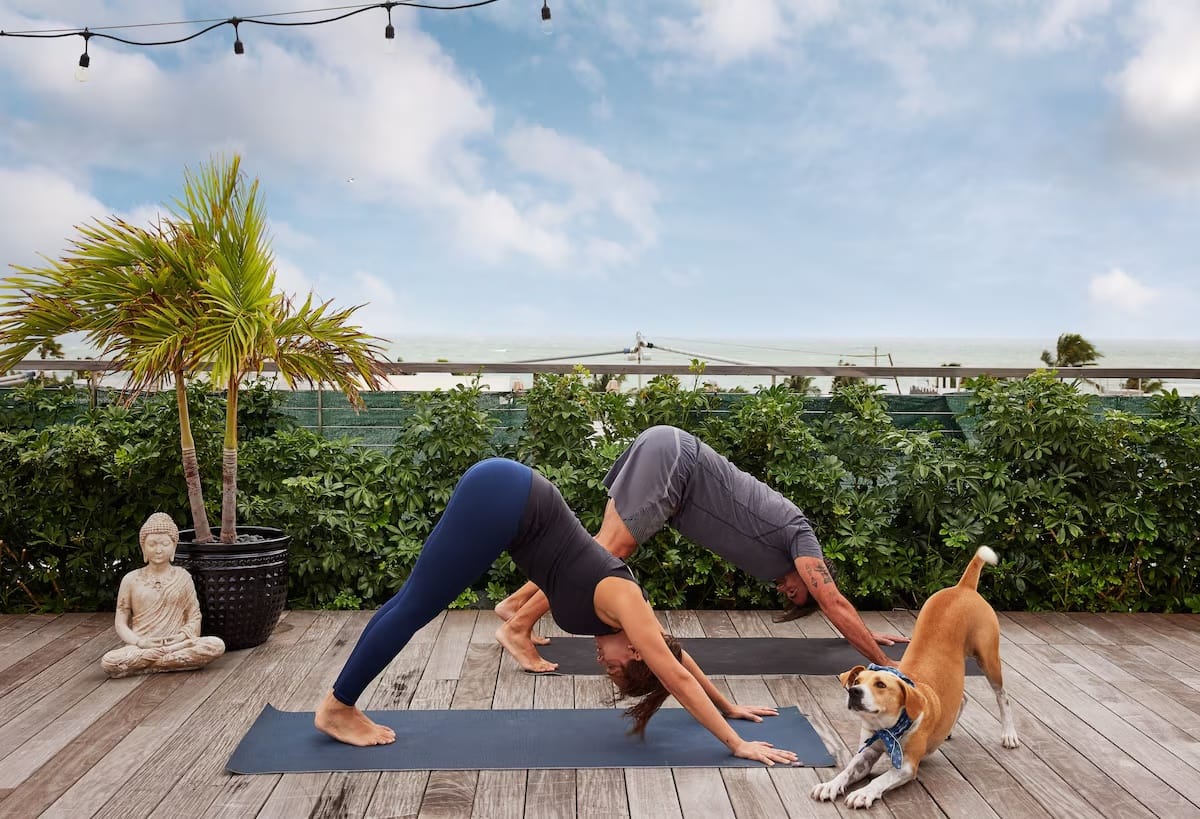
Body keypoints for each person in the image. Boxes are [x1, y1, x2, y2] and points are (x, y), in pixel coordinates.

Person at [314, 457, 798, 766]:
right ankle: (338, 707)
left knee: (411, 601)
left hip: (508, 499)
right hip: (507, 498)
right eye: (614, 667)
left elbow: (677, 657)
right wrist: (736, 743)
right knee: (417, 604)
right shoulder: (626, 603)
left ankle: (340, 703)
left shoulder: (628, 627)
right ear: (634, 651)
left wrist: (729, 706)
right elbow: (674, 673)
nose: (601, 663)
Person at [495, 425, 908, 672]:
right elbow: (832, 600)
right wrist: (884, 663)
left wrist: (864, 632)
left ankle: (515, 605)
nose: (788, 593)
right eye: (798, 593)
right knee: (606, 557)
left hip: (669, 459)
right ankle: (517, 628)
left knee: (595, 551)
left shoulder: (776, 559)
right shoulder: (800, 536)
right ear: (814, 574)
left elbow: (833, 605)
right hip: (677, 464)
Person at [101, 512, 225, 678]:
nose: (158, 550)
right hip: (143, 646)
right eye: (152, 544)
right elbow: (121, 622)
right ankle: (170, 661)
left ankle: (151, 663)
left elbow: (194, 617)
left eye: (165, 544)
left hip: (178, 644)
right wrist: (140, 642)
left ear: (173, 547)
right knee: (109, 661)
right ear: (143, 547)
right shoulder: (130, 580)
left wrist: (180, 637)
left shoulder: (183, 577)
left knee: (216, 644)